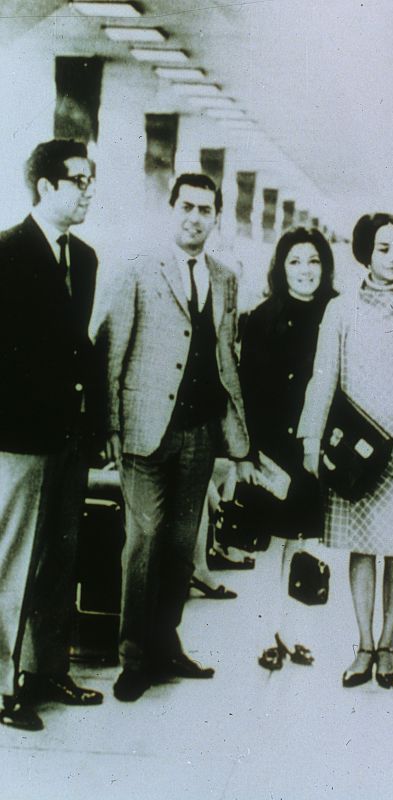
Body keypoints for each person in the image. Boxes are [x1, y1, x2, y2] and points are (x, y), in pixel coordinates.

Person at [92, 173, 249, 702]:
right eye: (187, 206)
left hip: (200, 432)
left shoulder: (225, 278)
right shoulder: (137, 268)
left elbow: (226, 354)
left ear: (216, 217)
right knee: (145, 541)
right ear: (171, 208)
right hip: (143, 432)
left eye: (206, 210)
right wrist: (109, 427)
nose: (195, 217)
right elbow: (110, 350)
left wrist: (235, 431)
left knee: (183, 546)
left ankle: (166, 643)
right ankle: (133, 657)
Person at [298, 213, 393, 689]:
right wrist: (311, 439)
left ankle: (388, 645)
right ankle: (363, 643)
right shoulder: (341, 310)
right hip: (355, 450)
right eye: (383, 248)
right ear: (365, 253)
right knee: (362, 548)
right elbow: (323, 376)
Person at [0, 139, 103, 732]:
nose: (88, 191)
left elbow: (77, 348)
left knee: (61, 560)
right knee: (12, 561)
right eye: (79, 180)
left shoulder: (84, 259)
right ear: (46, 186)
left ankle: (46, 670)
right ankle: (3, 685)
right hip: (17, 438)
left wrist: (96, 425)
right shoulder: (7, 252)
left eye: (91, 181)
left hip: (68, 437)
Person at [238, 227, 337, 669]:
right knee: (270, 546)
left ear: (325, 266)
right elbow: (249, 391)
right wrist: (253, 454)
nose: (305, 271)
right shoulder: (260, 319)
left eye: (313, 261)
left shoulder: (336, 313)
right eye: (295, 261)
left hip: (317, 447)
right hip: (274, 450)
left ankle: (294, 634)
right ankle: (265, 636)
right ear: (280, 268)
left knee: (304, 545)